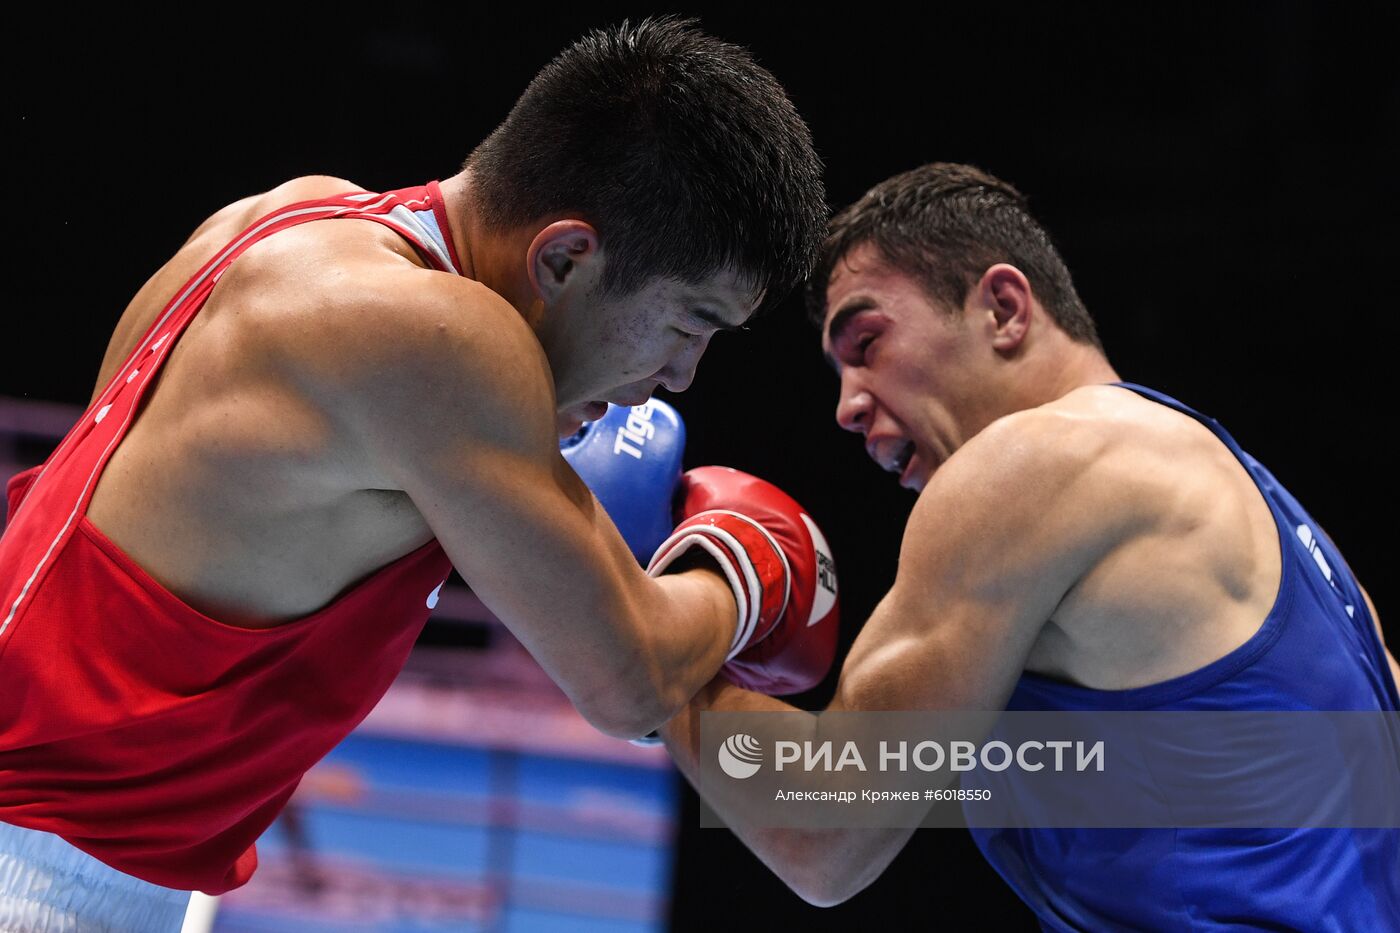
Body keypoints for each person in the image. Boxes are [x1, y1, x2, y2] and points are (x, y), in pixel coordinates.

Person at [0, 17, 838, 930]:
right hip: (48, 870)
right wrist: (747, 570)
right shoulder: (446, 344)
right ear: (563, 257)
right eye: (688, 323)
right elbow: (628, 681)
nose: (680, 376)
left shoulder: (288, 216)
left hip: (82, 848)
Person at [659, 162, 1400, 929]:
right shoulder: (1297, 550)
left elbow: (823, 828)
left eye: (868, 341)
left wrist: (657, 635)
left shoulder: (1036, 462)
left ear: (1005, 309)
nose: (846, 406)